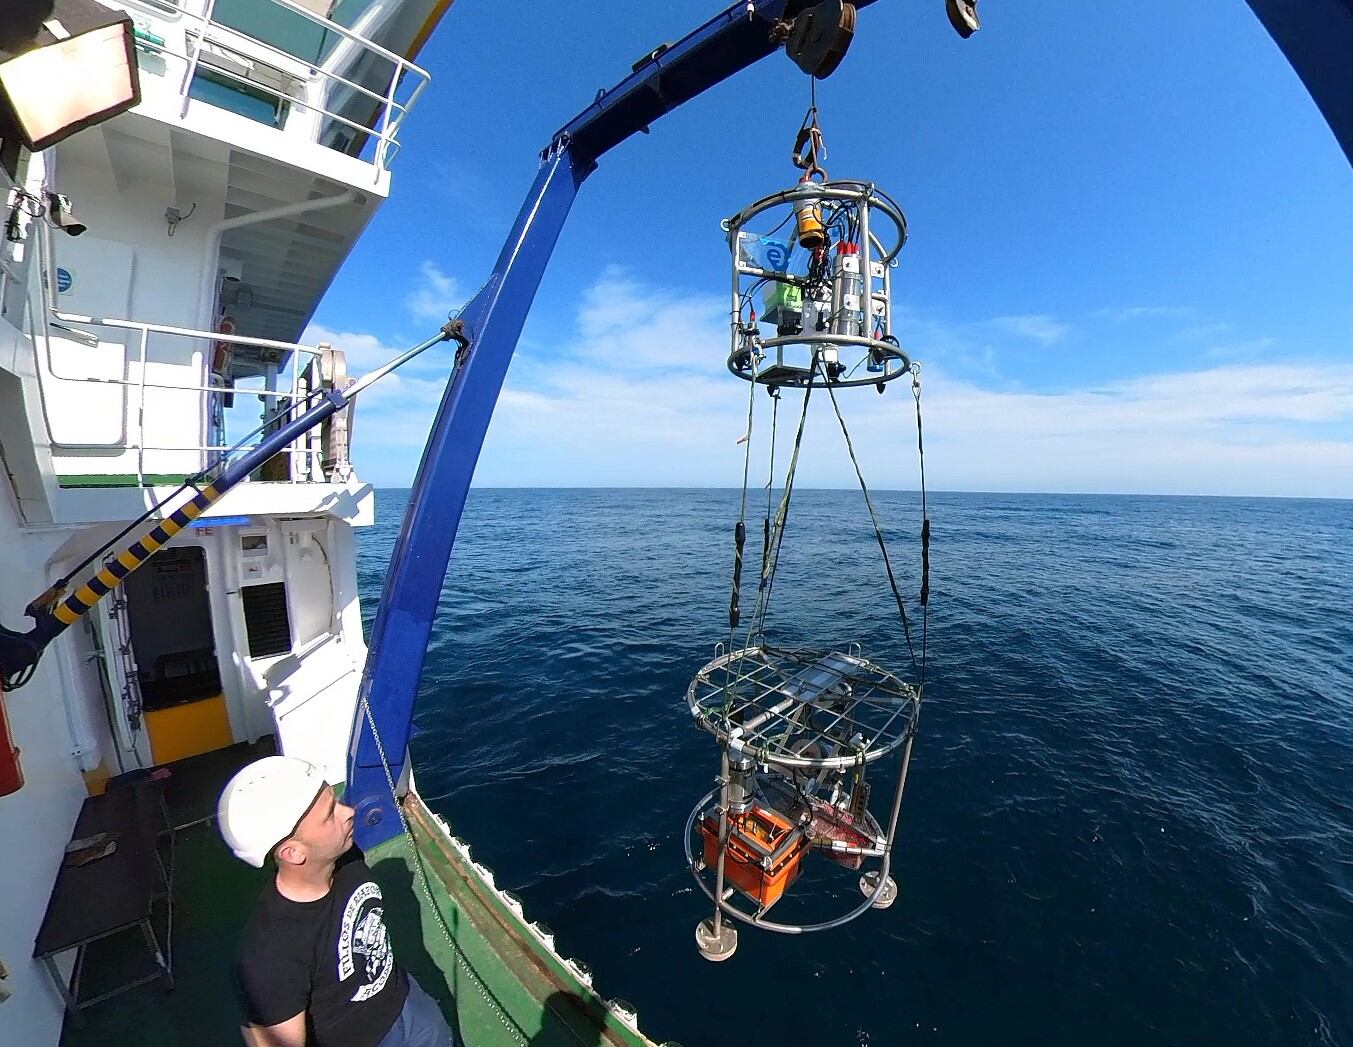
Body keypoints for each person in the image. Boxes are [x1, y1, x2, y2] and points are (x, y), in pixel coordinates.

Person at [218, 756, 455, 1047]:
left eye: (336, 801)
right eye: (330, 814)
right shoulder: (269, 955)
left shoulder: (346, 857)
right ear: (293, 853)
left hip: (406, 1002)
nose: (348, 812)